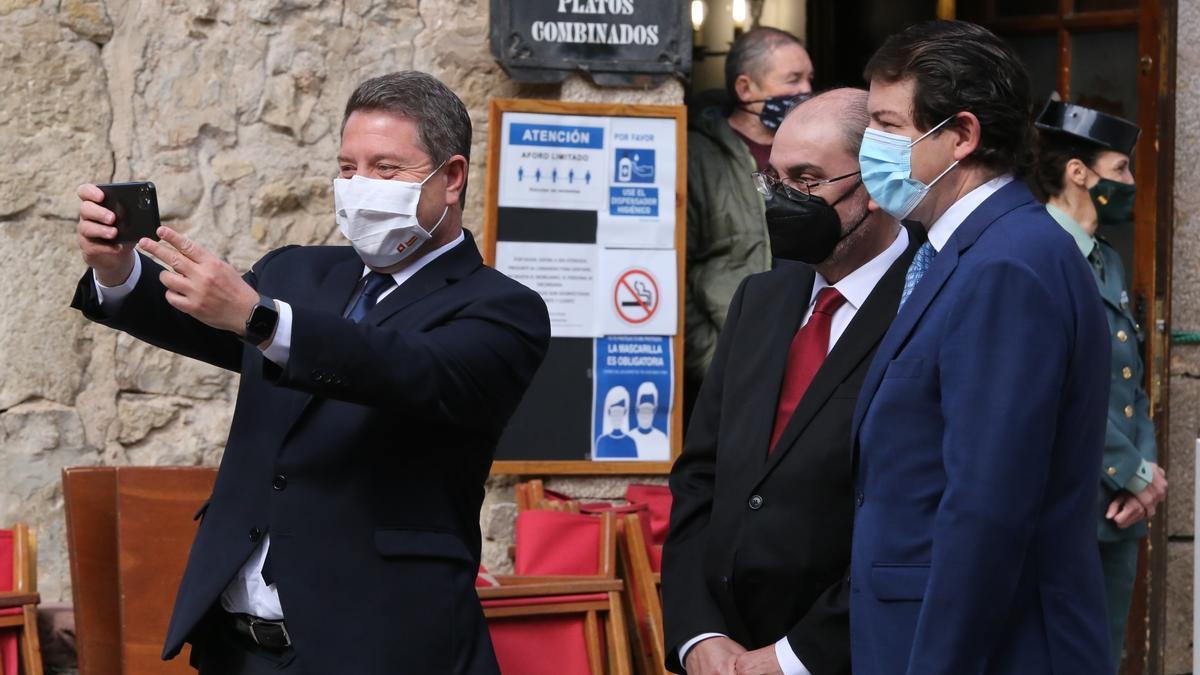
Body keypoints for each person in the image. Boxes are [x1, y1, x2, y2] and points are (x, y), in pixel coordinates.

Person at [70, 71, 550, 674]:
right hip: (238, 648)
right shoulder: (296, 273)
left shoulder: (501, 307)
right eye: (348, 168)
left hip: (382, 649)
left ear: (450, 178)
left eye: (386, 168)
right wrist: (117, 271)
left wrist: (260, 319)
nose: (359, 186)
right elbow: (211, 322)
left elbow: (404, 369)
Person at [849, 21, 1113, 674]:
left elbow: (987, 507)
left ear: (961, 135)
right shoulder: (963, 252)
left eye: (886, 123)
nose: (869, 146)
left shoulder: (1006, 264)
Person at [663, 88, 921, 675]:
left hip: (847, 653)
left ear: (878, 185)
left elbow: (917, 514)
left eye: (805, 180)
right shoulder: (762, 296)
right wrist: (698, 634)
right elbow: (702, 475)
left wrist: (793, 658)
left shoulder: (928, 304)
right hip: (725, 648)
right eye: (773, 180)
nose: (781, 202)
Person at [1032, 99, 1168, 672]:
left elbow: (1129, 381)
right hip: (1061, 498)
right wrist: (1134, 471)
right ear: (1078, 172)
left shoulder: (1106, 261)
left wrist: (1147, 475)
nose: (1131, 183)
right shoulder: (1038, 252)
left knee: (1100, 657)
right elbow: (1056, 387)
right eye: (1121, 169)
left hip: (1115, 505)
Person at [684, 26, 814, 415]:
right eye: (793, 80)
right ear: (745, 89)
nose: (806, 91)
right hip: (731, 371)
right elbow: (675, 272)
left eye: (809, 79)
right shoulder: (696, 156)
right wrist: (715, 363)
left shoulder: (814, 151)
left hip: (806, 365)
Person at [630, 381, 670, 460]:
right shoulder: (630, 438)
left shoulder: (662, 439)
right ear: (637, 409)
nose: (645, 414)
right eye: (642, 409)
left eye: (649, 409)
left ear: (655, 411)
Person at [596, 386, 639, 458]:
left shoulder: (631, 442)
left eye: (620, 412)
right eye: (614, 412)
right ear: (609, 413)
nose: (617, 417)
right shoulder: (602, 442)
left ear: (624, 413)